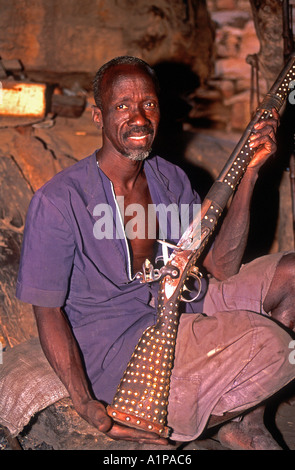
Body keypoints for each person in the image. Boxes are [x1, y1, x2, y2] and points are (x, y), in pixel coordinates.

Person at [16, 56, 295, 449]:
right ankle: (186, 424)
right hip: (119, 345)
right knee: (273, 345)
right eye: (122, 106)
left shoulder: (171, 178)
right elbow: (47, 310)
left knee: (292, 277)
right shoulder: (59, 201)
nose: (139, 118)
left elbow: (220, 265)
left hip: (183, 304)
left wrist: (249, 174)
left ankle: (244, 421)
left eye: (148, 104)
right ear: (98, 116)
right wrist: (84, 402)